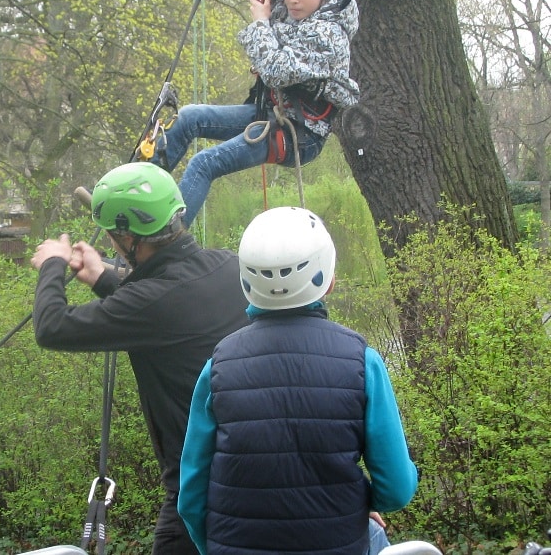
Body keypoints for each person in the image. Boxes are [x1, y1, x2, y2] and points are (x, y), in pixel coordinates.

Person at [30, 162, 251, 554]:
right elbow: (169, 305)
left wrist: (52, 263)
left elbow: (51, 326)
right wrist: (104, 278)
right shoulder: (228, 265)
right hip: (254, 466)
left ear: (127, 237)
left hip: (200, 487)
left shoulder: (151, 302)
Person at [177, 207, 419, 555]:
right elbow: (396, 489)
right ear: (329, 279)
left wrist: (212, 546)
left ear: (247, 283)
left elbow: (192, 496)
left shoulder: (219, 365)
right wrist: (358, 501)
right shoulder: (361, 361)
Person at [150, 0, 359, 225]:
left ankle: (162, 247)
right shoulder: (293, 11)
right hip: (271, 113)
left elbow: (275, 68)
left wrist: (261, 23)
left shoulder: (329, 34)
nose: (292, 0)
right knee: (188, 118)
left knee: (204, 163)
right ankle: (135, 192)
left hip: (299, 133)